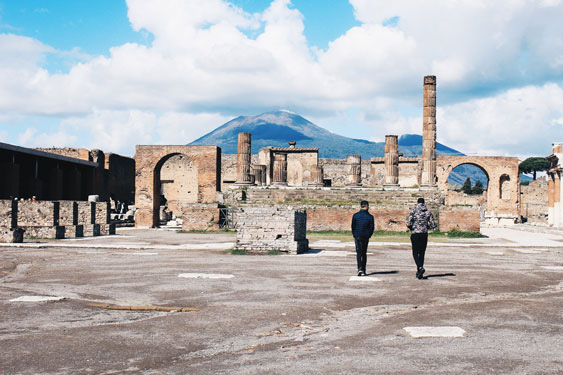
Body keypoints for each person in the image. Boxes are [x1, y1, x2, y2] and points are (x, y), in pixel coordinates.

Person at [406, 197, 436, 279]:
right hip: (424, 234)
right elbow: (433, 225)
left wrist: (412, 228)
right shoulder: (428, 212)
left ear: (417, 202)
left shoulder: (414, 211)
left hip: (415, 233)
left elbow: (408, 222)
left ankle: (419, 267)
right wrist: (426, 227)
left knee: (415, 252)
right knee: (422, 253)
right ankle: (420, 272)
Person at [351, 200, 375, 276]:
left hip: (357, 235)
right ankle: (363, 270)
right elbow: (372, 228)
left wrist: (354, 234)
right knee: (364, 253)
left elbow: (353, 226)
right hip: (365, 236)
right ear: (367, 206)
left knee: (358, 253)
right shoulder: (370, 217)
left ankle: (359, 268)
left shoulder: (355, 215)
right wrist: (369, 235)